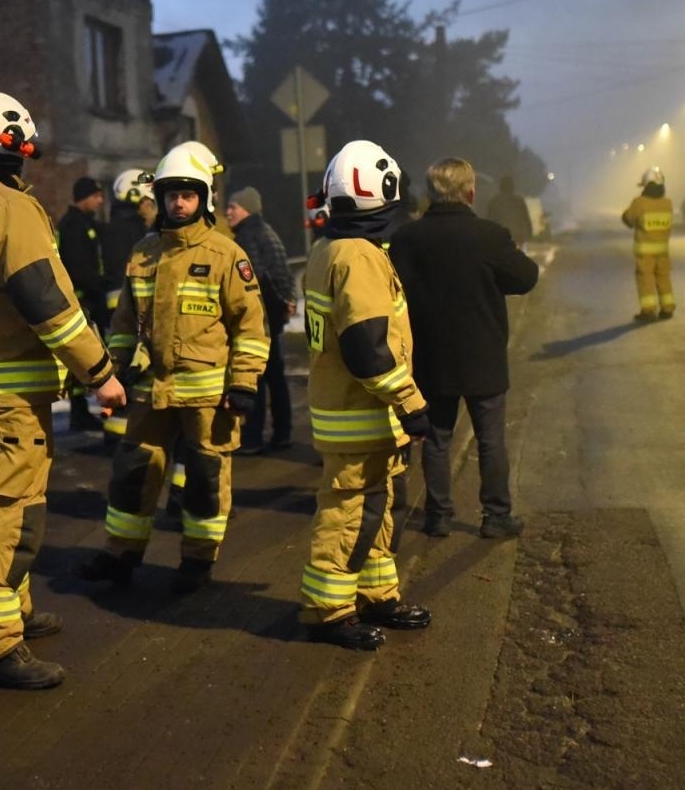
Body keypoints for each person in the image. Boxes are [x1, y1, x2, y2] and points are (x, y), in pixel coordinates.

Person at [0, 91, 125, 689]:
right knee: (8, 513)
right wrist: (100, 373)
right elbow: (47, 301)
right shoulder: (7, 207)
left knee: (9, 506)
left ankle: (17, 610)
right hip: (11, 397)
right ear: (13, 144)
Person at [81, 140, 268, 595]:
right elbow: (124, 323)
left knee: (204, 479)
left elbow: (250, 326)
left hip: (207, 394)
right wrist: (114, 370)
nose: (179, 204)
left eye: (187, 195)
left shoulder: (226, 255)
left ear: (204, 199)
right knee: (133, 471)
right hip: (152, 389)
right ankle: (120, 553)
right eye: (171, 195)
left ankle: (197, 561)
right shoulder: (144, 253)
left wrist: (244, 383)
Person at [299, 141, 433, 650]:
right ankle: (329, 611)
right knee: (348, 513)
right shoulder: (359, 257)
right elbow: (368, 351)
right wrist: (411, 404)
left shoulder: (330, 249)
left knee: (374, 506)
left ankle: (377, 594)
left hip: (353, 413)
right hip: (361, 414)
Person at [391, 157, 539, 540]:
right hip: (482, 356)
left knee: (437, 439)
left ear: (429, 193)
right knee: (490, 439)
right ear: (470, 193)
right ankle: (496, 516)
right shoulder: (489, 236)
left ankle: (438, 515)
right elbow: (526, 277)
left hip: (431, 356)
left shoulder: (407, 239)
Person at [224, 186, 296, 454]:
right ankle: (282, 433)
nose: (228, 212)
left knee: (254, 377)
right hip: (271, 315)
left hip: (261, 318)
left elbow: (251, 281)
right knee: (275, 376)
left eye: (233, 207)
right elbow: (280, 275)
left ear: (247, 209)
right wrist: (285, 302)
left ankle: (253, 437)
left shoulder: (248, 236)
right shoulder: (265, 231)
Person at [99, 170, 157, 442]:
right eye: (147, 201)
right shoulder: (136, 232)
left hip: (115, 310)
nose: (150, 206)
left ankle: (115, 430)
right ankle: (125, 433)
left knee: (118, 365)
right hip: (129, 309)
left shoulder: (111, 227)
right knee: (132, 368)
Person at [56, 177, 110, 433]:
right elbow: (79, 269)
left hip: (87, 298)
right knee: (82, 357)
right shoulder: (73, 226)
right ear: (84, 197)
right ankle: (79, 413)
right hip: (81, 300)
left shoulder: (84, 223)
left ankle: (80, 411)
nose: (100, 201)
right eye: (96, 196)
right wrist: (99, 286)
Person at [620, 166, 676, 321]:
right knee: (663, 277)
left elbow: (629, 220)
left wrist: (625, 215)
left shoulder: (640, 203)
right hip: (663, 251)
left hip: (645, 252)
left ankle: (649, 311)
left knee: (645, 278)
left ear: (646, 185)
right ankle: (667, 308)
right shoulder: (668, 203)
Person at [483, 175, 533, 248]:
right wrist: (529, 234)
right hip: (517, 238)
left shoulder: (494, 202)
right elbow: (526, 219)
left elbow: (489, 221)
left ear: (500, 187)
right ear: (513, 187)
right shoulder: (519, 201)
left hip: (499, 238)